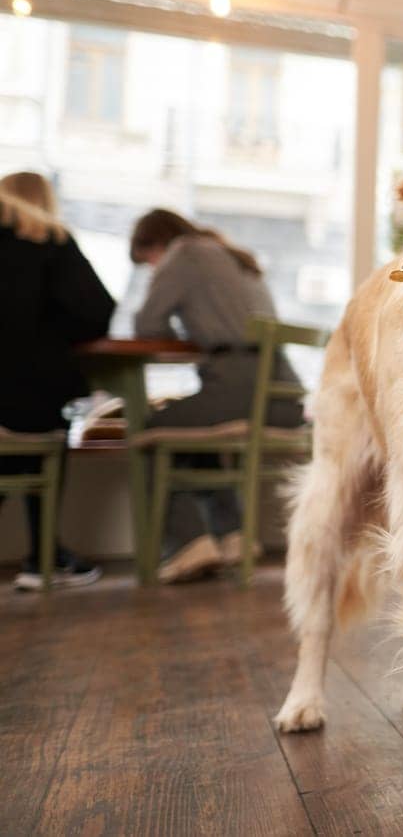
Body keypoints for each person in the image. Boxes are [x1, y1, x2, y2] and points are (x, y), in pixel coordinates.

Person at [129, 209, 304, 584]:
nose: (154, 268)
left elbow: (147, 325)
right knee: (191, 430)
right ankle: (233, 536)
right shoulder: (233, 255)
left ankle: (185, 544)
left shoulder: (185, 253)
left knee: (152, 427)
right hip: (285, 395)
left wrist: (188, 336)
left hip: (239, 383)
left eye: (149, 262)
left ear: (157, 244)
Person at [0, 171, 114, 590]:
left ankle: (46, 554)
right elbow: (97, 313)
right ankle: (43, 557)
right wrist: (50, 332)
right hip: (31, 400)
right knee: (45, 423)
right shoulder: (51, 241)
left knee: (17, 444)